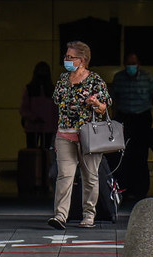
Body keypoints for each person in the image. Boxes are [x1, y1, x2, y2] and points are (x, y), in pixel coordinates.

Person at [48, 41, 112, 230]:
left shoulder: (95, 80)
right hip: (64, 134)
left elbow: (105, 106)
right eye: (66, 56)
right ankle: (60, 216)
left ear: (82, 60)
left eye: (70, 57)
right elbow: (56, 100)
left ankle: (89, 215)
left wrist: (95, 103)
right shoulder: (63, 79)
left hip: (88, 136)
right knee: (64, 176)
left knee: (90, 177)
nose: (66, 60)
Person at [110, 52, 153, 201]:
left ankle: (140, 190)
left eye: (133, 64)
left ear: (139, 64)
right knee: (123, 155)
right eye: (128, 64)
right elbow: (115, 100)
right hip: (124, 117)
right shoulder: (119, 78)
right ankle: (124, 188)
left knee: (141, 155)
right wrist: (113, 121)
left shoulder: (147, 78)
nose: (131, 67)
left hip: (142, 117)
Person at [19, 61, 58, 150]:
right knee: (33, 151)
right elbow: (24, 108)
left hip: (47, 127)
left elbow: (56, 111)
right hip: (33, 126)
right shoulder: (30, 89)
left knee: (45, 151)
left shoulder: (52, 90)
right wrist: (33, 118)